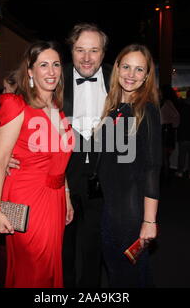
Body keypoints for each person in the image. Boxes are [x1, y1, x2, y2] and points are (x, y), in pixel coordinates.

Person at [0, 41, 74, 288]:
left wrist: (66, 195)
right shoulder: (17, 105)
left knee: (49, 265)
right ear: (30, 71)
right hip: (29, 196)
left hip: (55, 197)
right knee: (35, 269)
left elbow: (60, 158)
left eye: (56, 64)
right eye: (43, 65)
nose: (51, 71)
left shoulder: (56, 107)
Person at [96, 44, 161, 287]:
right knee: (117, 275)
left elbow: (153, 168)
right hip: (109, 210)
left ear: (146, 75)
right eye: (126, 66)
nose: (131, 74)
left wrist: (149, 221)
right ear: (117, 69)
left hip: (131, 215)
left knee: (129, 279)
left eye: (138, 69)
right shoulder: (112, 109)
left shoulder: (147, 111)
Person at [61, 23, 112, 288]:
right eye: (80, 50)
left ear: (103, 53)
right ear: (71, 50)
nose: (87, 58)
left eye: (94, 50)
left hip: (103, 176)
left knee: (94, 245)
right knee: (63, 246)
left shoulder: (119, 80)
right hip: (63, 178)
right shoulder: (55, 78)